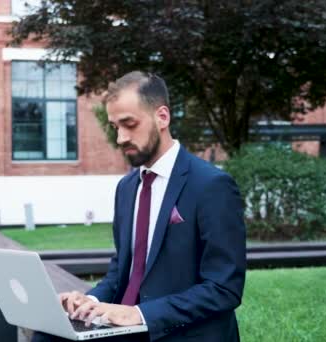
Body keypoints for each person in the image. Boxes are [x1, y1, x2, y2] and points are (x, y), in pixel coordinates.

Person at [34, 71, 246, 342]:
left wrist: (139, 315)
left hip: (179, 330)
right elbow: (121, 271)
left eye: (129, 124)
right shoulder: (127, 188)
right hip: (125, 328)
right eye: (115, 127)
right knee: (48, 335)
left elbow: (224, 288)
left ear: (162, 117)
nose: (120, 138)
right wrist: (88, 301)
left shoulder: (211, 185)